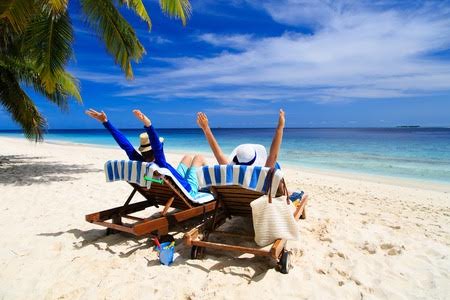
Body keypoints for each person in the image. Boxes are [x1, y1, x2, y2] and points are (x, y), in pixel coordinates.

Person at [85, 108, 205, 197]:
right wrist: (148, 124)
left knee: (188, 157)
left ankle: (189, 177)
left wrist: (106, 122)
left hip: (171, 184)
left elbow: (125, 145)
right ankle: (207, 187)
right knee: (199, 157)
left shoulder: (140, 163)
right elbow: (157, 146)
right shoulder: (160, 163)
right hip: (187, 191)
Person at [196, 109, 285, 169]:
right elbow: (273, 156)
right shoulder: (261, 176)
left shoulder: (230, 174)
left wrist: (206, 128)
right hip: (255, 193)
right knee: (276, 166)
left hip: (237, 193)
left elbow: (218, 154)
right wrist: (280, 127)